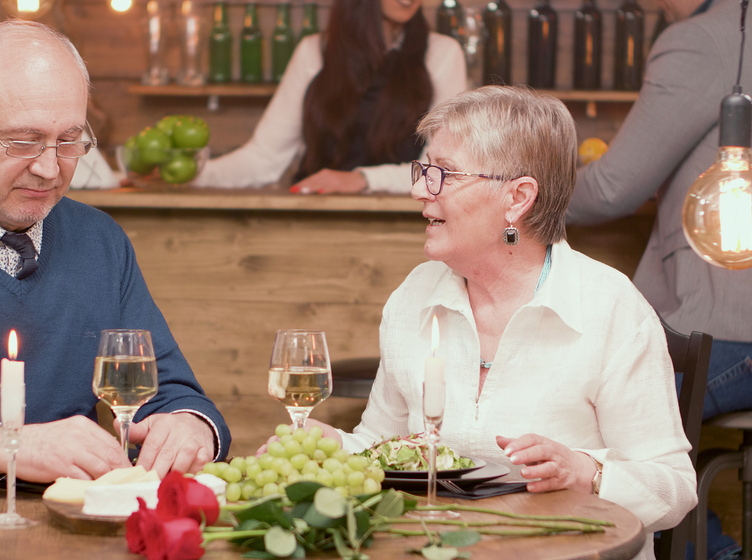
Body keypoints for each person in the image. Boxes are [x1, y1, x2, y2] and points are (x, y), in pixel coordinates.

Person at [307, 87, 697, 560]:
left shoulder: (609, 308)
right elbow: (381, 447)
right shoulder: (415, 295)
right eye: (424, 171)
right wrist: (331, 449)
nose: (418, 190)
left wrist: (588, 473)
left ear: (517, 198)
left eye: (442, 174)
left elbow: (675, 490)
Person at [0, 20, 230, 493]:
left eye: (69, 140)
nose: (47, 168)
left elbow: (169, 391)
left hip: (78, 525)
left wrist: (190, 426)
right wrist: (6, 447)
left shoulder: (99, 240)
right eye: (22, 140)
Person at [567, 1, 751, 557]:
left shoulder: (705, 41)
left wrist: (513, 184)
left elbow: (612, 187)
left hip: (733, 330)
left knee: (590, 422)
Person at [194, 0, 466, 194]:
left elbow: (442, 170)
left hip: (397, 226)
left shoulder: (443, 53)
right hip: (313, 218)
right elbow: (263, 159)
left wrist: (363, 179)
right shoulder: (312, 51)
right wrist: (194, 174)